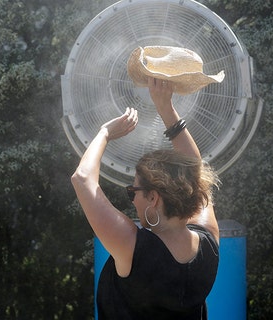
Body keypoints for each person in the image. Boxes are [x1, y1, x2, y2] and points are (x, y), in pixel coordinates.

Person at [71, 77, 221, 319]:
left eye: (133, 191)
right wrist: (166, 108)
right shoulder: (209, 239)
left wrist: (105, 133)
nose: (132, 199)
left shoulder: (131, 247)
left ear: (153, 198)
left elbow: (82, 178)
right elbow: (194, 169)